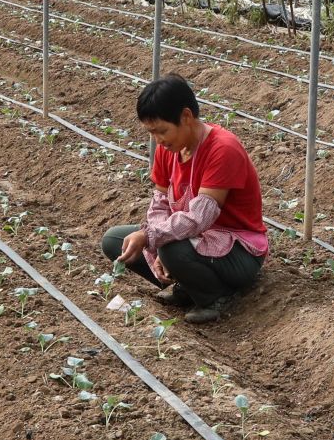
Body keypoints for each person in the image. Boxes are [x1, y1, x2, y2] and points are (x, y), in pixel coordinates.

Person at [102, 75, 267, 324]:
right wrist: (154, 240)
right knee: (115, 241)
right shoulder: (168, 150)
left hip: (238, 252)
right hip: (193, 242)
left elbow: (200, 218)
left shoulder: (223, 149)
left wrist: (153, 237)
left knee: (169, 247)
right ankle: (187, 286)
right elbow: (159, 204)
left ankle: (215, 296)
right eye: (151, 133)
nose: (158, 140)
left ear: (186, 116)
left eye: (162, 131)